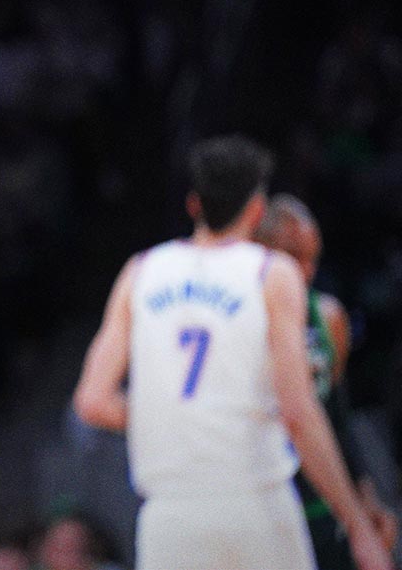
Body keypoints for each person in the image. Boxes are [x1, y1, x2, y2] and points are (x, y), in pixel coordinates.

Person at [72, 135, 392, 570]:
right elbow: (299, 413)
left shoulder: (141, 271)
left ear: (193, 205)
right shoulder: (270, 273)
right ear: (257, 209)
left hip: (169, 516)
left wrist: (180, 418)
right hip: (254, 503)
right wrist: (356, 524)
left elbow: (92, 400)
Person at [255, 194, 398, 569]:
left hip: (322, 505)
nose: (305, 271)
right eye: (293, 256)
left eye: (312, 258)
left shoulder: (328, 317)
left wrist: (364, 497)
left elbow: (337, 415)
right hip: (258, 505)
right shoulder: (236, 321)